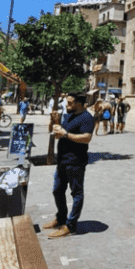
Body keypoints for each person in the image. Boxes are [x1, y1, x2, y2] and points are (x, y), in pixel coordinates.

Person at [44, 93, 94, 239]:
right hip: (62, 160)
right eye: (67, 102)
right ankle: (61, 218)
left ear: (79, 103)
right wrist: (53, 121)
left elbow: (86, 138)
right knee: (57, 190)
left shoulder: (87, 118)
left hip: (76, 161)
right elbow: (54, 132)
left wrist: (66, 135)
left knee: (76, 193)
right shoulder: (68, 115)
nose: (67, 105)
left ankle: (70, 225)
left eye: (70, 103)